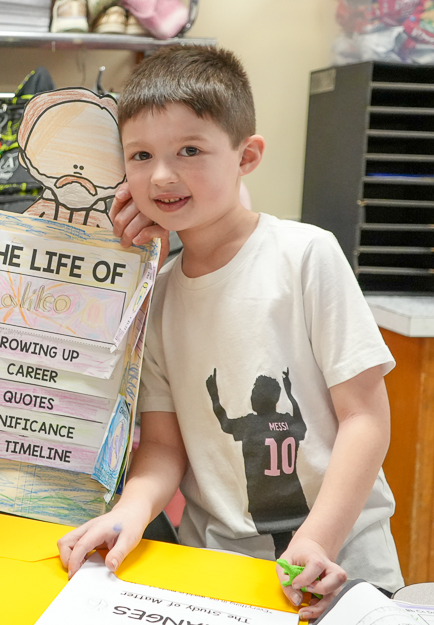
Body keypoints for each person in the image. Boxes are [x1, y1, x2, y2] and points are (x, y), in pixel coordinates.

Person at [58, 45, 403, 621]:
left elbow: (366, 419)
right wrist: (132, 509)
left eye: (190, 150)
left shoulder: (306, 255)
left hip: (342, 568)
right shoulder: (160, 296)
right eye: (140, 155)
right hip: (216, 575)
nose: (162, 175)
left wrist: (317, 542)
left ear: (247, 157)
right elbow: (165, 446)